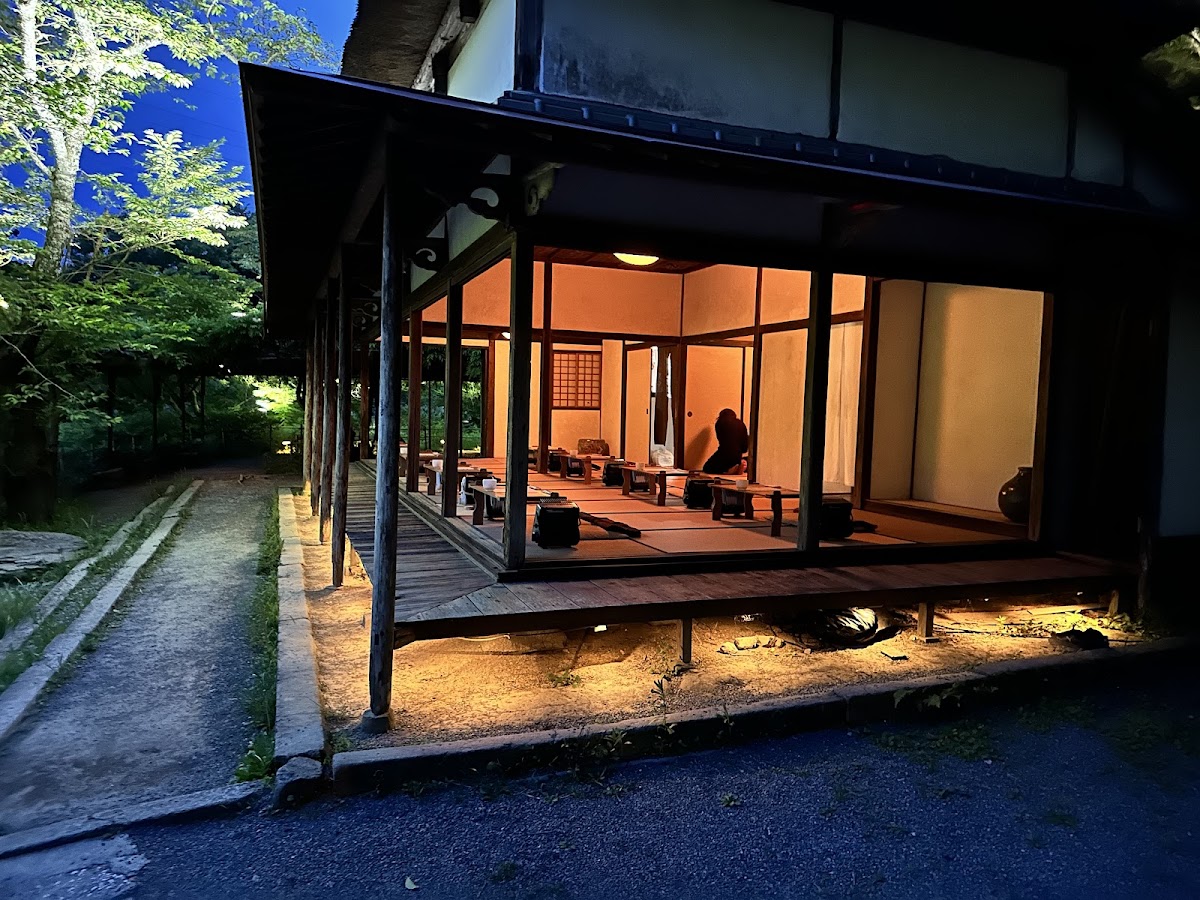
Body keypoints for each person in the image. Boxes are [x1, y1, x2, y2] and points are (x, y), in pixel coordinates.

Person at [702, 408, 749, 475]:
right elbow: (745, 447)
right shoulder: (741, 424)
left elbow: (721, 442)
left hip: (724, 454)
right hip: (737, 456)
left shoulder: (719, 423)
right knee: (745, 459)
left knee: (707, 468)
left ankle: (728, 470)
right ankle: (739, 464)